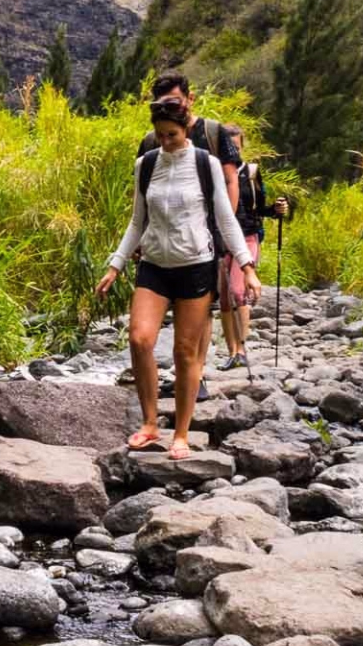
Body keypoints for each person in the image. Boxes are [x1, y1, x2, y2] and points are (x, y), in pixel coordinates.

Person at [94, 100, 262, 460]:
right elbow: (137, 222)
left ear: (186, 130)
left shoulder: (206, 164)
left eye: (171, 135)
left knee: (185, 352)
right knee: (139, 339)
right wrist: (115, 265)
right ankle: (150, 423)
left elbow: (224, 218)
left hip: (195, 265)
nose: (165, 141)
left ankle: (182, 434)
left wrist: (247, 266)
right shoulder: (147, 165)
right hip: (154, 264)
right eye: (160, 135)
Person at [136, 74, 241, 396]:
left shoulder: (212, 132)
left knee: (202, 306)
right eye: (161, 104)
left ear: (189, 99)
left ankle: (197, 375)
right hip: (161, 239)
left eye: (173, 102)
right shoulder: (152, 141)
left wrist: (223, 231)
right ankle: (183, 375)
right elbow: (145, 193)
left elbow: (230, 180)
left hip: (205, 235)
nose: (168, 108)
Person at [218, 160, 292, 370]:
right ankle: (232, 351)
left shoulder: (251, 173)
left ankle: (241, 352)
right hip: (221, 240)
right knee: (224, 297)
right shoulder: (212, 169)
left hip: (248, 237)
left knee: (238, 291)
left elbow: (260, 209)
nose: (231, 151)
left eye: (235, 146)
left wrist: (277, 210)